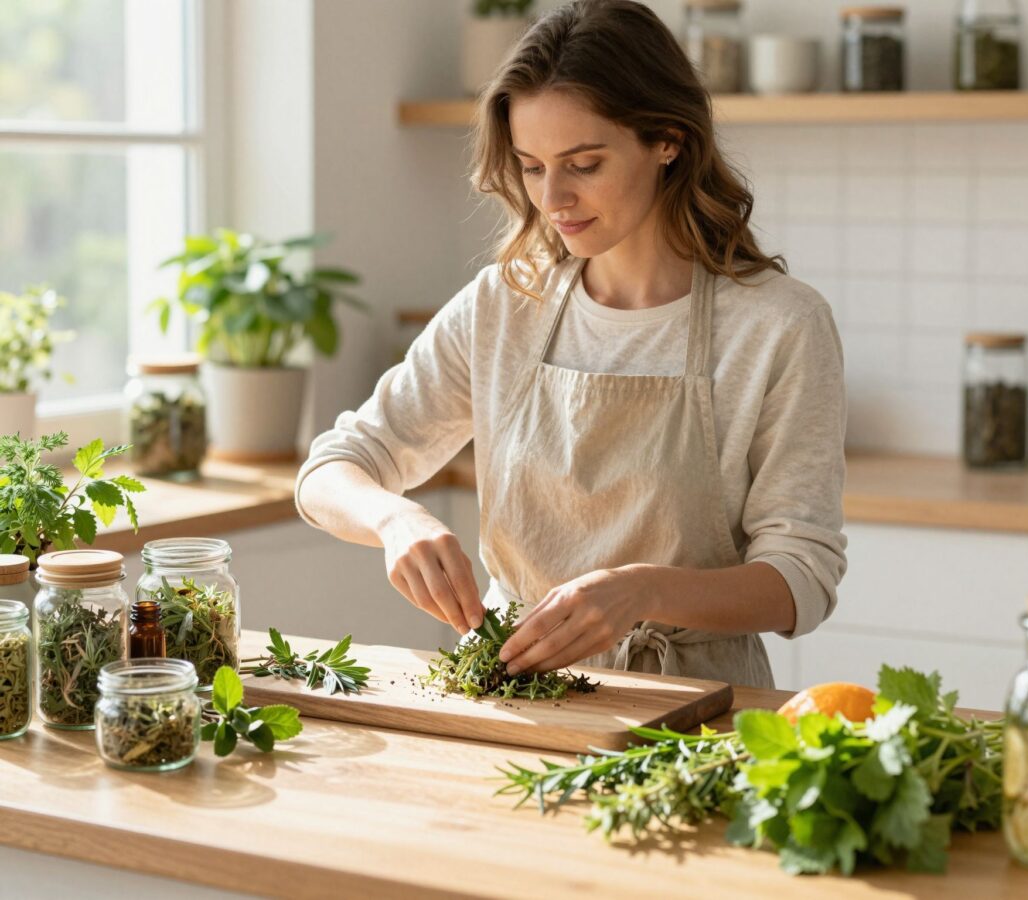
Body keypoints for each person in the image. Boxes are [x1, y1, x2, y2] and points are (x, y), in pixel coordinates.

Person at [295, 0, 847, 689]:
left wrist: (644, 590)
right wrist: (394, 519)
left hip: (698, 709)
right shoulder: (505, 305)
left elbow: (802, 578)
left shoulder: (779, 325)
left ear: (668, 140)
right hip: (515, 694)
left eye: (583, 164)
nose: (552, 198)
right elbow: (330, 469)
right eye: (531, 166)